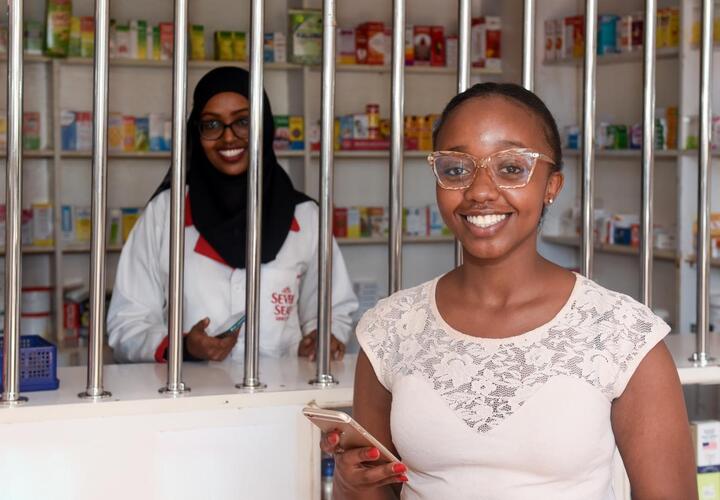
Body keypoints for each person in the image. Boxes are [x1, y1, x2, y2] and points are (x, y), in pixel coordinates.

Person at [322, 83, 696, 499]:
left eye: (512, 168)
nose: (480, 191)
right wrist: (350, 482)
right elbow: (371, 492)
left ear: (552, 186)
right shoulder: (390, 329)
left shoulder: (623, 335)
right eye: (456, 169)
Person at [107, 66, 357, 363]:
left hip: (285, 395)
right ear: (196, 132)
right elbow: (127, 322)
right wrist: (183, 347)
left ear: (263, 126)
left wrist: (320, 338)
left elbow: (333, 308)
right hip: (189, 399)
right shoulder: (166, 213)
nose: (228, 138)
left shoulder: (305, 215)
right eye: (212, 125)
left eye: (243, 122)